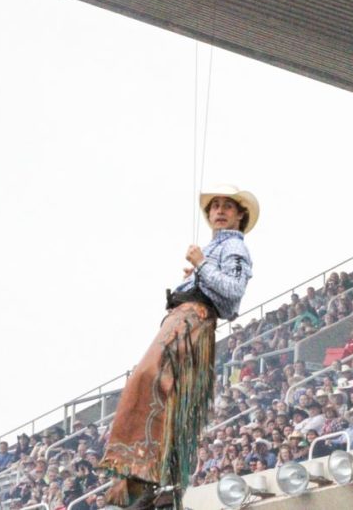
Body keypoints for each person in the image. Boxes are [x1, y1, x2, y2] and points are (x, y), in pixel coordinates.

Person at [100, 185, 258, 509]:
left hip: (192, 323)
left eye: (228, 206)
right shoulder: (218, 248)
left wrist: (202, 266)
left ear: (240, 215)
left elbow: (232, 295)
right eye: (215, 206)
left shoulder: (234, 249)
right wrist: (198, 274)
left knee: (149, 379)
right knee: (165, 395)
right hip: (183, 319)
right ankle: (155, 480)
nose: (219, 211)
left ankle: (146, 476)